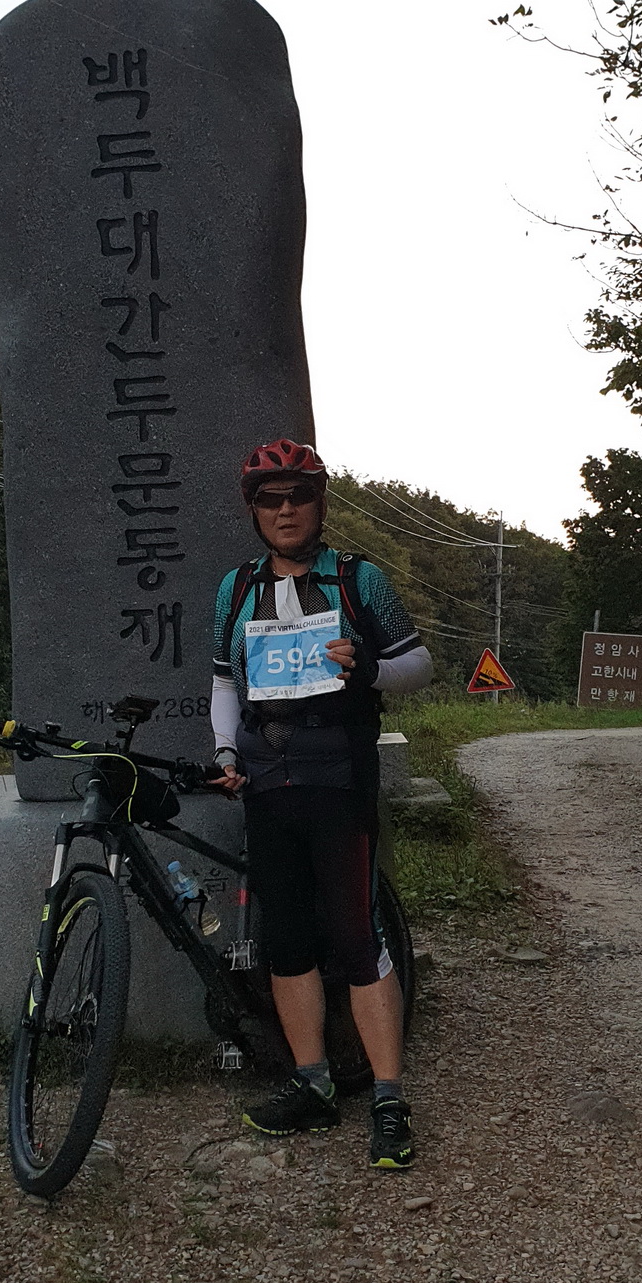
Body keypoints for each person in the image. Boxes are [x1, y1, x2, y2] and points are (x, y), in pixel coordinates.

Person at [209, 438, 433, 1170]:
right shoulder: (235, 589)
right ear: (254, 510)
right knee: (288, 940)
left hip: (339, 778)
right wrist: (226, 753)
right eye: (270, 499)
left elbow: (419, 662)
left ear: (320, 503)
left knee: (356, 934)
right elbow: (223, 681)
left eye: (299, 495)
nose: (285, 510)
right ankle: (313, 1083)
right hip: (266, 782)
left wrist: (369, 670)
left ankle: (389, 1099)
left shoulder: (360, 579)